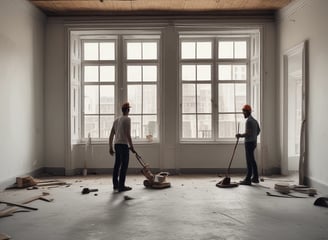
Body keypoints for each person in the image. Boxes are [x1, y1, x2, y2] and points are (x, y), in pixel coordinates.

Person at [109, 102, 136, 192]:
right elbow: (128, 135)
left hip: (116, 144)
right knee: (124, 166)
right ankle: (121, 186)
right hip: (123, 145)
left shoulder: (116, 120)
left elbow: (111, 135)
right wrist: (132, 147)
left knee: (117, 165)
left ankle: (115, 185)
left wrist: (110, 147)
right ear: (128, 110)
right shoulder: (127, 119)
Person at [236, 104, 261, 185]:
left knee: (249, 161)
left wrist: (240, 135)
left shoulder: (249, 121)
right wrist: (254, 137)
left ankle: (248, 179)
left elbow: (248, 133)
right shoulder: (254, 121)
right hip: (253, 142)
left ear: (247, 112)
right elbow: (258, 131)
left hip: (249, 143)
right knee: (252, 160)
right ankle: (255, 178)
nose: (243, 114)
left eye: (244, 112)